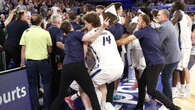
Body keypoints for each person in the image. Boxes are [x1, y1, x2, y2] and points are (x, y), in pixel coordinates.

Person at [117, 14, 181, 110]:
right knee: (142, 83)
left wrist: (111, 41)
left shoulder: (142, 31)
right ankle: (139, 106)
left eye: (138, 21)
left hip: (154, 63)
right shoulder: (151, 29)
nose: (137, 22)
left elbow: (125, 41)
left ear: (143, 23)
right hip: (157, 62)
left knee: (151, 90)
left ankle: (174, 108)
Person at [50, 17, 105, 110]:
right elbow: (89, 39)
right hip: (78, 67)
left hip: (66, 68)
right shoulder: (76, 34)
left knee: (60, 96)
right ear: (71, 26)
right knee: (91, 93)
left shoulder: (66, 38)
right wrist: (102, 28)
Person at [20, 14, 52, 110]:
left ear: (31, 22)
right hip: (43, 62)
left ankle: (35, 107)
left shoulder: (26, 32)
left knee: (32, 85)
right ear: (41, 22)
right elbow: (50, 50)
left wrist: (22, 62)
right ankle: (47, 106)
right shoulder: (45, 33)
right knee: (46, 84)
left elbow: (23, 49)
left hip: (30, 63)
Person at [157, 9, 181, 102]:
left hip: (170, 58)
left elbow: (157, 42)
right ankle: (164, 97)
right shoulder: (168, 24)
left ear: (164, 16)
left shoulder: (164, 27)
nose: (157, 16)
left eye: (159, 15)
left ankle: (169, 102)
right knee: (165, 77)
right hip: (174, 56)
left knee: (165, 79)